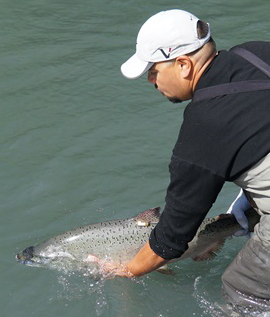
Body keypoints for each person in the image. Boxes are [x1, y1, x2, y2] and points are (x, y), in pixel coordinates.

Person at [94, 9, 270, 309]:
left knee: (241, 287)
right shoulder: (256, 51)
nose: (151, 80)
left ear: (184, 65)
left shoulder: (203, 127)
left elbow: (174, 233)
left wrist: (127, 270)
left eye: (153, 70)